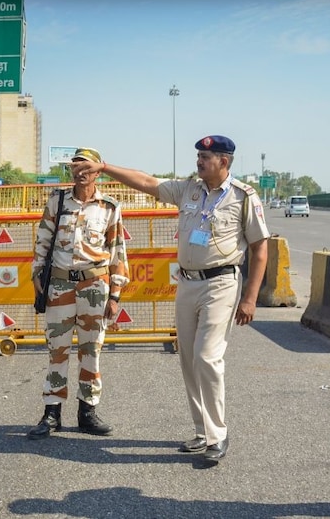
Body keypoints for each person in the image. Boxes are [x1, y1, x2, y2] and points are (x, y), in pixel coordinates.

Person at [70, 135, 269, 462]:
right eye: (199, 155)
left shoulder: (243, 196)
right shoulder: (188, 189)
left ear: (224, 162)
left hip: (221, 282)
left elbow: (260, 247)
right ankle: (202, 431)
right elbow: (147, 182)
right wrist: (104, 168)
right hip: (188, 283)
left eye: (206, 156)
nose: (199, 161)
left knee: (207, 357)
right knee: (189, 359)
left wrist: (250, 298)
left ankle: (218, 435)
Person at [27, 147, 130, 440]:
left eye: (87, 168)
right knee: (56, 351)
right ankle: (51, 413)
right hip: (60, 286)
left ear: (98, 172)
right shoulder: (57, 201)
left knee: (91, 351)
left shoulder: (109, 207)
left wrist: (115, 295)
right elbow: (42, 241)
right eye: (76, 168)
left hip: (95, 287)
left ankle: (88, 412)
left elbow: (117, 251)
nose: (81, 173)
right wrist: (38, 278)